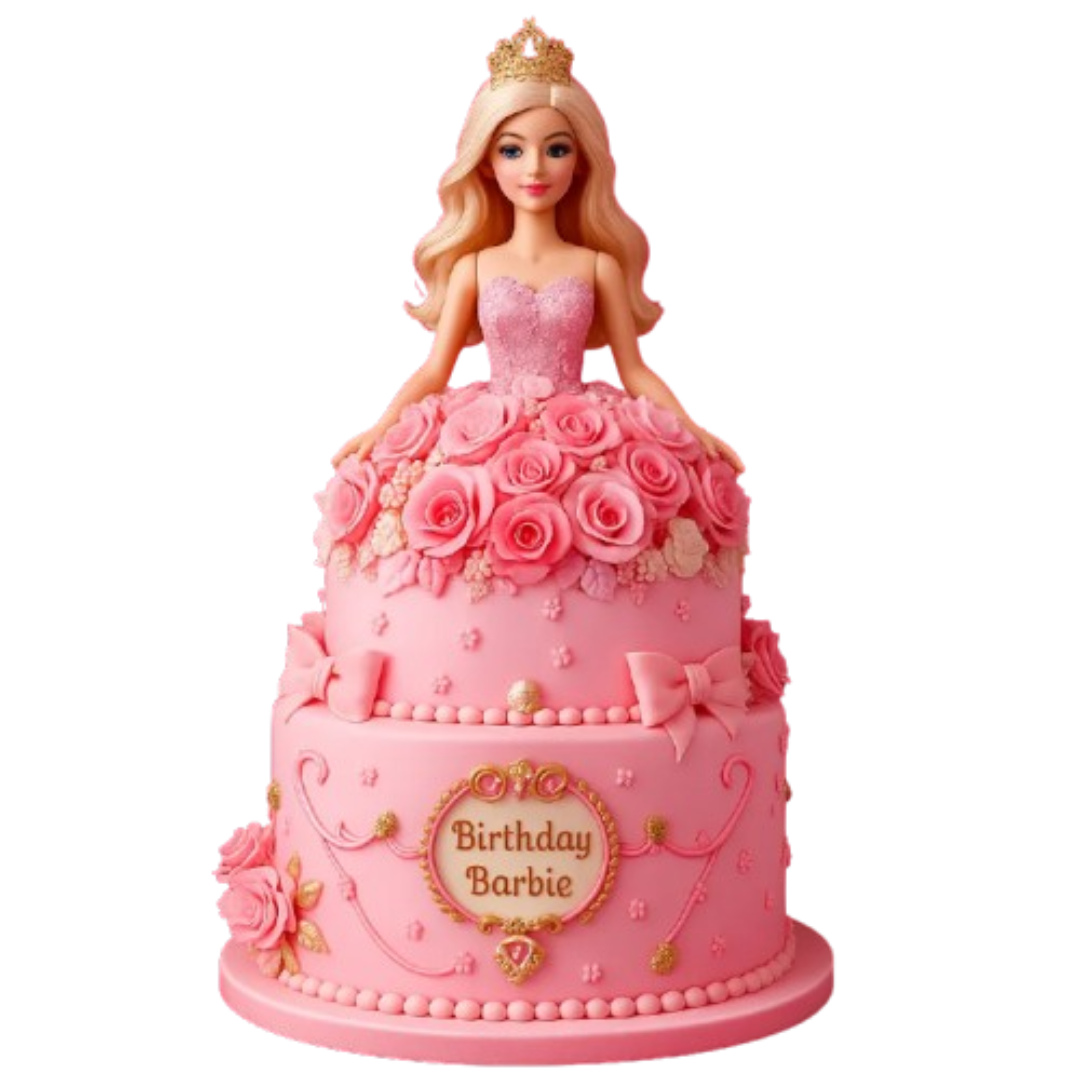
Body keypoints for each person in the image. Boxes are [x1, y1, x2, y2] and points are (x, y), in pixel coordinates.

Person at [332, 18, 742, 474]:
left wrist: (692, 427)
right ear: (486, 163)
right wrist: (380, 426)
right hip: (492, 434)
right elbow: (434, 370)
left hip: (581, 437)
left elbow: (634, 370)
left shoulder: (598, 266)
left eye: (556, 150)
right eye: (512, 150)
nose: (535, 169)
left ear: (580, 161)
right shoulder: (473, 268)